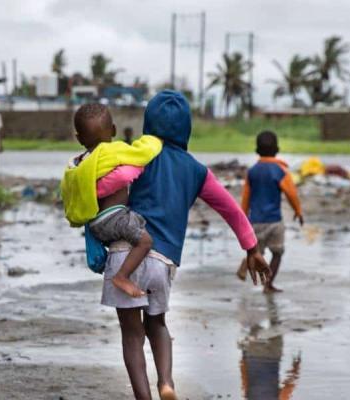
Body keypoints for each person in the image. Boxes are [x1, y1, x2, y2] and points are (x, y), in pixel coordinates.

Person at [88, 90, 270, 400]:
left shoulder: (138, 154)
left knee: (132, 335)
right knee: (157, 323)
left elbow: (103, 189)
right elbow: (230, 208)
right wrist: (251, 248)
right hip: (163, 260)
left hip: (125, 252)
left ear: (148, 124)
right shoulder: (197, 170)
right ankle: (167, 383)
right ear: (186, 129)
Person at [61, 103, 160, 298]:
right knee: (145, 242)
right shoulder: (111, 151)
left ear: (79, 138)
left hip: (95, 225)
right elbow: (142, 154)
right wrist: (155, 140)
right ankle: (122, 276)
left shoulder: (78, 164)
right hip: (113, 219)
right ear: (113, 130)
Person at [236, 131, 303, 293]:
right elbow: (291, 193)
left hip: (256, 222)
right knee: (277, 252)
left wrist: (243, 218)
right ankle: (268, 284)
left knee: (256, 252)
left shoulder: (252, 171)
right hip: (274, 221)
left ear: (256, 151)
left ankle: (247, 262)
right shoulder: (281, 171)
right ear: (277, 149)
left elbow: (246, 197)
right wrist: (298, 211)